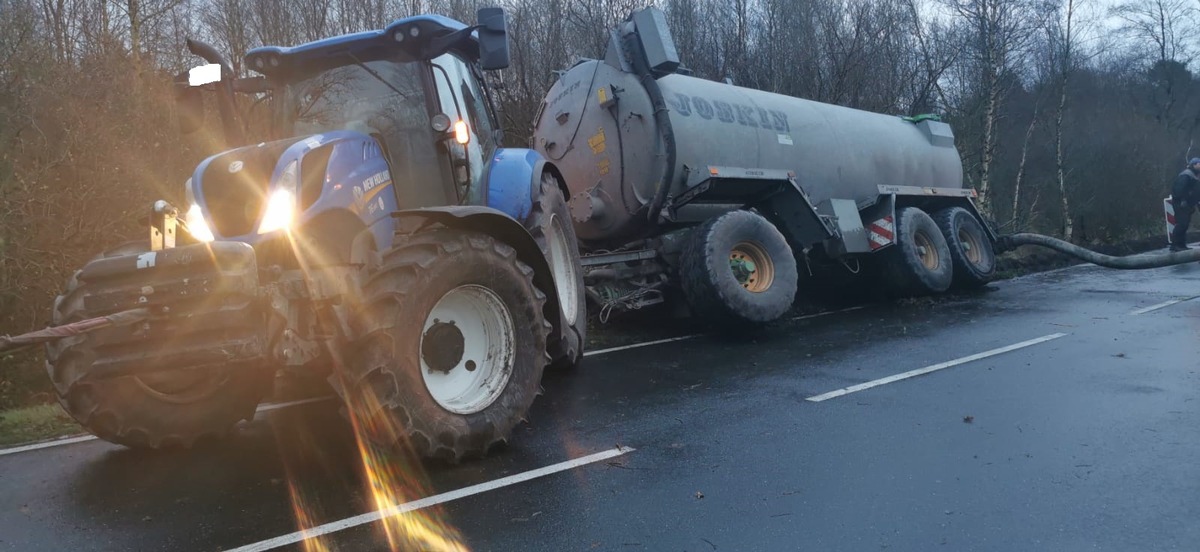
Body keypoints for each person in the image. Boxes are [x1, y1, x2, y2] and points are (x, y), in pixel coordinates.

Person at [1170, 157, 1200, 251]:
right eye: (1199, 164)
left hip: (1187, 204)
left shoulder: (1194, 175)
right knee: (1181, 224)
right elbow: (1179, 189)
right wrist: (1183, 200)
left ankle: (1181, 245)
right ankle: (1175, 245)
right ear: (1194, 165)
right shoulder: (1186, 175)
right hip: (1181, 204)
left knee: (1185, 224)